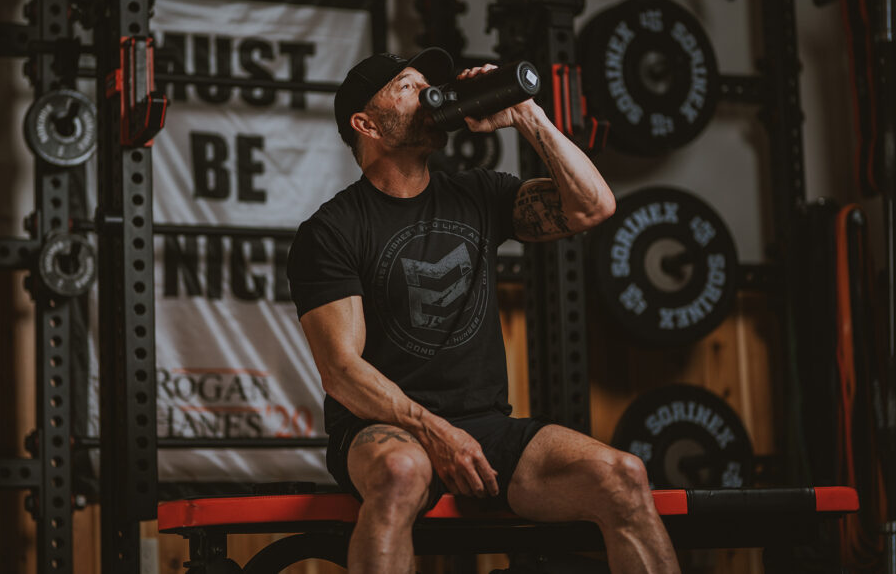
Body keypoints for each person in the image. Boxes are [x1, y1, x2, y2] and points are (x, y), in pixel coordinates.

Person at [286, 48, 680, 573]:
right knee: (401, 472)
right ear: (366, 123)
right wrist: (435, 432)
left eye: (429, 84)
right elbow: (341, 371)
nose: (428, 93)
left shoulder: (479, 193)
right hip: (381, 428)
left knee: (623, 475)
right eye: (407, 86)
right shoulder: (332, 230)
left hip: (485, 427)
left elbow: (594, 206)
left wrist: (525, 113)